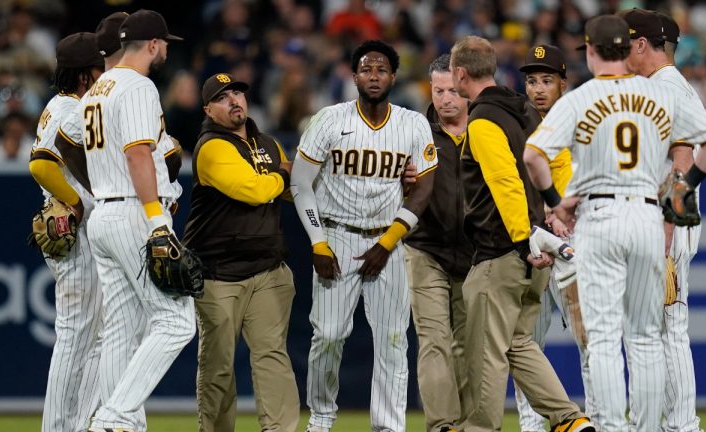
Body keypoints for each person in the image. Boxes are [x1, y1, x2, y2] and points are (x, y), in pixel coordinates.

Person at [523, 14, 706, 432]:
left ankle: (615, 427)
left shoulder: (581, 99)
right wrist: (681, 193)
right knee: (647, 337)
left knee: (603, 339)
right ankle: (651, 428)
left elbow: (533, 156)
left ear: (593, 50)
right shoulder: (658, 95)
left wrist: (555, 203)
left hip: (600, 218)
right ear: (627, 47)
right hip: (646, 218)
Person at [291, 39, 437, 432]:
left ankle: (388, 426)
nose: (374, 76)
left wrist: (388, 242)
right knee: (328, 337)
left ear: (394, 75)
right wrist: (317, 242)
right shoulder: (328, 119)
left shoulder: (413, 123)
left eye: (381, 69)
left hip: (387, 242)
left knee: (393, 341)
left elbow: (424, 188)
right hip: (336, 236)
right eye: (367, 69)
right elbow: (300, 184)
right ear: (354, 75)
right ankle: (320, 419)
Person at [449, 35, 593, 432]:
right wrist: (558, 214)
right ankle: (570, 420)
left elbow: (504, 181)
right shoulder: (527, 112)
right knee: (519, 344)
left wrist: (521, 238)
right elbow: (557, 159)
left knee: (486, 351)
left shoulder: (483, 119)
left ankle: (481, 429)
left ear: (461, 74)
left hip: (504, 250)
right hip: (536, 251)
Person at [78, 10, 197, 431]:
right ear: (150, 45)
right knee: (177, 321)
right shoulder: (138, 85)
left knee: (121, 329)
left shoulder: (97, 89)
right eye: (164, 43)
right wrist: (157, 221)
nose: (166, 49)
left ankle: (119, 423)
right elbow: (137, 153)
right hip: (133, 210)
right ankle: (113, 417)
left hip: (104, 214)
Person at [182, 73, 299, 432]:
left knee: (272, 358)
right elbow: (253, 189)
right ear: (208, 109)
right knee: (218, 366)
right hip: (219, 274)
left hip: (267, 270)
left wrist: (298, 177)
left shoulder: (266, 142)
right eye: (222, 97)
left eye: (237, 93)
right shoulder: (211, 146)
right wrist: (282, 176)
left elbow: (294, 190)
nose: (234, 101)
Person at [620, 9, 706, 432]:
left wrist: (667, 226)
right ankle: (667, 423)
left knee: (668, 327)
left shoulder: (667, 88)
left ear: (642, 44)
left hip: (666, 223)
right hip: (662, 220)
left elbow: (685, 158)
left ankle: (681, 425)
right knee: (657, 329)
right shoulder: (664, 86)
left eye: (626, 41)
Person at [514, 44, 595, 431]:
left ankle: (599, 417)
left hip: (575, 247)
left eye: (547, 80)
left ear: (564, 83)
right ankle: (532, 424)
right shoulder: (514, 126)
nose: (538, 89)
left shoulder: (583, 125)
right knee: (528, 342)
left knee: (590, 340)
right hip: (531, 245)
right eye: (531, 81)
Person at [28, 31, 104, 432]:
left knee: (97, 334)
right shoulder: (72, 111)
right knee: (77, 335)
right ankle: (57, 428)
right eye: (98, 66)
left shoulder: (62, 105)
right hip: (75, 231)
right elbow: (40, 165)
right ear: (83, 76)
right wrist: (73, 203)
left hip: (79, 230)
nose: (104, 71)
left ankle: (76, 424)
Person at [404, 53, 472, 432]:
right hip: (426, 247)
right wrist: (401, 184)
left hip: (476, 252)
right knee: (433, 339)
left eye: (453, 90)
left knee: (468, 345)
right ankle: (443, 425)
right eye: (438, 89)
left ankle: (467, 422)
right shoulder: (414, 133)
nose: (445, 99)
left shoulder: (486, 130)